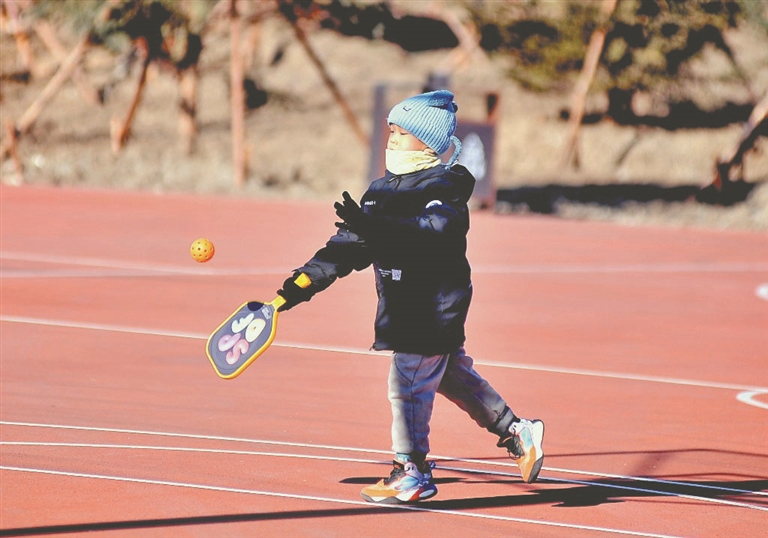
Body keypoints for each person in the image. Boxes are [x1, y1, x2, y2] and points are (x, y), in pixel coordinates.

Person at [276, 90, 544, 504]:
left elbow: (434, 232)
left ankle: (411, 471)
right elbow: (349, 246)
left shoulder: (443, 188)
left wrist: (376, 228)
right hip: (402, 306)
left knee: (406, 383)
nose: (393, 140)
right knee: (450, 376)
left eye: (403, 133)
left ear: (429, 142)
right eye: (391, 132)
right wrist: (301, 283)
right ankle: (516, 430)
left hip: (433, 306)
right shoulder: (379, 191)